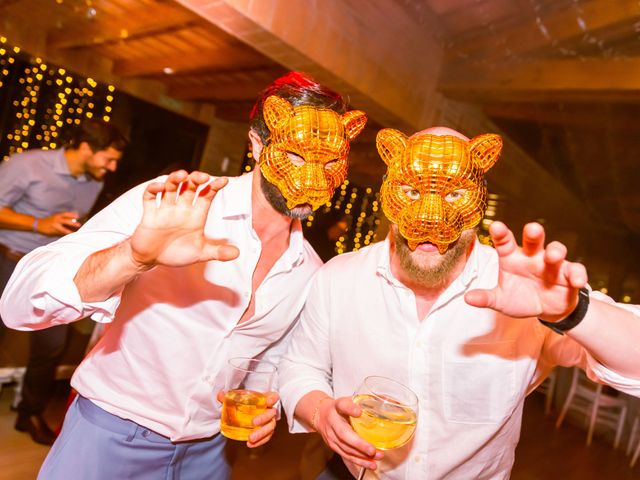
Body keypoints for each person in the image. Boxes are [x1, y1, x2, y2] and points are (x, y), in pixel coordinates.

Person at [0, 71, 367, 479]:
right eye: (297, 156)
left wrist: (268, 400)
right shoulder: (177, 203)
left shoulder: (310, 270)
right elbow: (20, 305)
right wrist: (133, 257)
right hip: (110, 435)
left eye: (331, 161)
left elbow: (271, 355)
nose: (313, 176)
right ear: (258, 144)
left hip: (210, 453)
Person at [278, 126, 640, 479]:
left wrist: (572, 313)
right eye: (411, 190)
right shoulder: (338, 277)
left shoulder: (526, 292)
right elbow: (300, 367)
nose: (431, 217)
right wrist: (322, 413)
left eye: (454, 195)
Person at [0, 118, 127, 445]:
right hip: (7, 258)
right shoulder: (27, 164)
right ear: (86, 148)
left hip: (50, 274)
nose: (111, 167)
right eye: (108, 159)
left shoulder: (93, 182)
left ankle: (30, 412)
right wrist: (38, 224)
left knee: (52, 346)